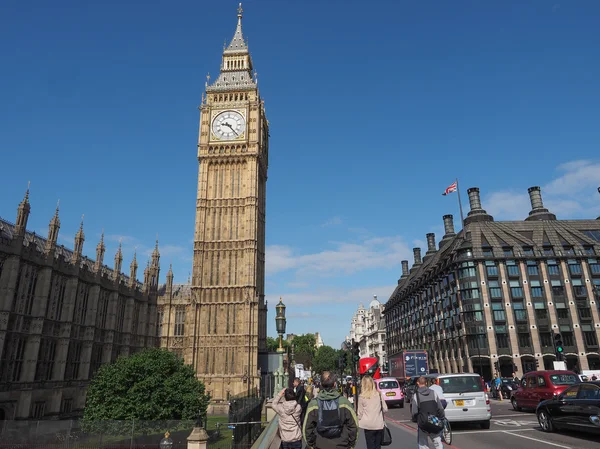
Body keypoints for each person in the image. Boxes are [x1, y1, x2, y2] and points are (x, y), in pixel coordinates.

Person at [303, 371, 358, 449]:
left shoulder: (313, 404)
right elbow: (354, 426)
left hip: (320, 445)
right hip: (341, 445)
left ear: (321, 384)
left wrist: (312, 445)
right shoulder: (344, 403)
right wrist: (351, 445)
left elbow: (307, 428)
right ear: (334, 384)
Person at [411, 376, 445, 449]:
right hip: (434, 420)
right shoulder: (433, 393)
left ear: (417, 383)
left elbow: (414, 412)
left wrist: (416, 420)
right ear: (426, 383)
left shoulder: (416, 396)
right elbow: (440, 408)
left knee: (423, 443)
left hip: (423, 422)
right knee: (437, 442)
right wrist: (441, 418)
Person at [357, 376, 387, 449]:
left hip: (368, 425)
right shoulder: (379, 394)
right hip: (378, 424)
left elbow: (360, 413)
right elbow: (385, 409)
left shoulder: (362, 397)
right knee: (378, 446)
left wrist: (357, 421)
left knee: (370, 446)